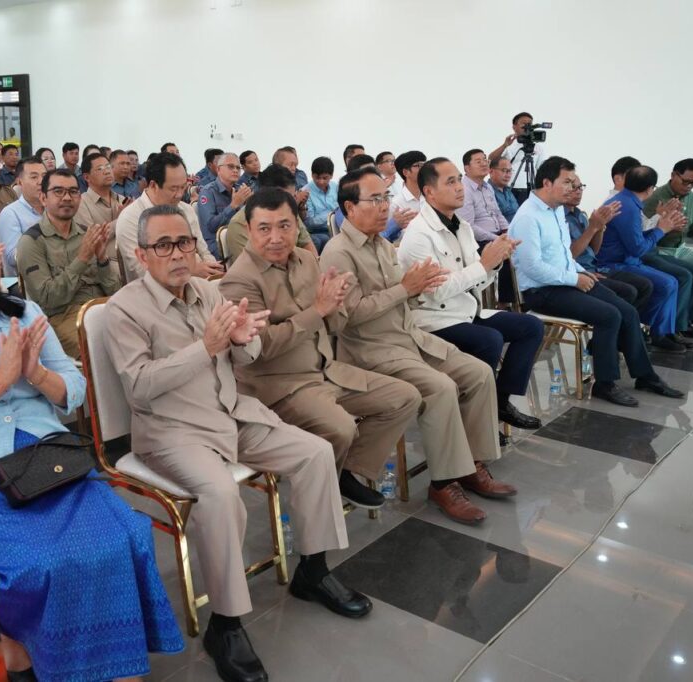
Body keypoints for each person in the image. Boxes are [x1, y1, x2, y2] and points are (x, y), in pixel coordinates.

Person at [0, 207, 183, 682]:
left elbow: (75, 390)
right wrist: (1, 380)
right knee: (41, 563)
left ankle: (115, 667)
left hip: (49, 461)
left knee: (124, 535)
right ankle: (25, 656)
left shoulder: (23, 313)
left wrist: (36, 374)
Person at [108, 204, 369, 681]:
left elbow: (242, 358)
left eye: (184, 242)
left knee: (314, 453)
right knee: (221, 493)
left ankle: (312, 570)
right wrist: (206, 347)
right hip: (173, 432)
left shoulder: (208, 290)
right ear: (141, 255)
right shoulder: (123, 309)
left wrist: (244, 340)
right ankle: (225, 625)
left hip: (230, 412)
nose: (177, 254)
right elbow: (140, 387)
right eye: (163, 246)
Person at [323, 168, 517, 523]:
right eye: (375, 199)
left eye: (386, 197)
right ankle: (443, 484)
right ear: (350, 207)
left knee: (478, 373)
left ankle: (472, 466)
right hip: (371, 350)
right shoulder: (338, 253)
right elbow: (346, 317)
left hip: (409, 337)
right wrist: (406, 289)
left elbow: (408, 296)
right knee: (440, 388)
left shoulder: (383, 245)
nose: (385, 206)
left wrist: (421, 287)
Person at [221, 189, 421, 510]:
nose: (276, 237)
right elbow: (262, 347)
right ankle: (328, 482)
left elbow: (333, 324)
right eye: (264, 228)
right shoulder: (239, 280)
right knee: (341, 427)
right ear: (248, 229)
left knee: (405, 397)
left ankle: (344, 470)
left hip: (326, 370)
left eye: (285, 226)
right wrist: (318, 310)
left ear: (296, 225)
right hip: (280, 386)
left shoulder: (304, 259)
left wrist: (337, 304)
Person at [509, 157, 684, 406]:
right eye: (567, 182)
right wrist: (575, 278)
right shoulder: (528, 217)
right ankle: (605, 383)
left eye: (575, 183)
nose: (573, 188)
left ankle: (645, 376)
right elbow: (532, 267)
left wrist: (581, 271)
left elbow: (563, 254)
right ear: (547, 183)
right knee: (609, 315)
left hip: (566, 280)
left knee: (628, 311)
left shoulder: (555, 210)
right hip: (542, 290)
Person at [397, 158, 544, 435]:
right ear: (429, 192)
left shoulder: (461, 225)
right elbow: (437, 291)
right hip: (433, 319)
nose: (459, 187)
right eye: (450, 182)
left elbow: (477, 279)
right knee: (489, 339)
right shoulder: (418, 234)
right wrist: (484, 265)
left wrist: (495, 261)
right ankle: (475, 420)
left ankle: (498, 402)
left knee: (531, 326)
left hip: (465, 311)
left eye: (458, 180)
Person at [598, 165, 693, 352]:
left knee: (671, 281)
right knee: (667, 283)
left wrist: (661, 225)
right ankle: (653, 331)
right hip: (615, 264)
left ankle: (658, 331)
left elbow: (636, 238)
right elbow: (638, 249)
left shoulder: (625, 201)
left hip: (627, 260)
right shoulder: (627, 207)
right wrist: (661, 230)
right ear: (650, 189)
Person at [17, 169, 120, 360]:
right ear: (43, 198)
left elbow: (114, 291)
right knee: (106, 352)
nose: (67, 197)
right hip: (62, 317)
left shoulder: (87, 234)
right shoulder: (32, 242)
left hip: (102, 308)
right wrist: (82, 259)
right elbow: (47, 299)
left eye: (73, 192)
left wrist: (102, 259)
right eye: (58, 191)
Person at [115, 152, 222, 281]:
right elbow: (140, 271)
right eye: (173, 189)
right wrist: (190, 270)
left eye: (183, 187)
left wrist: (213, 272)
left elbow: (204, 251)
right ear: (153, 185)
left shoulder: (186, 210)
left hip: (198, 283)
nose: (179, 195)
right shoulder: (130, 218)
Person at [564, 175, 655, 313]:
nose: (579, 191)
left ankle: (627, 322)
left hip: (595, 268)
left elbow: (594, 250)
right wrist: (592, 228)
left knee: (645, 285)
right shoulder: (560, 218)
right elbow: (570, 255)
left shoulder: (581, 215)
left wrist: (600, 227)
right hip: (580, 272)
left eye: (580, 187)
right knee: (628, 291)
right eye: (573, 187)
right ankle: (623, 321)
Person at [642, 158, 693, 304]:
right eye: (685, 181)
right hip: (660, 250)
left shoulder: (691, 198)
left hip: (680, 249)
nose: (689, 186)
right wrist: (666, 227)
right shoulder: (655, 197)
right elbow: (643, 231)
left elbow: (692, 229)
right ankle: (685, 310)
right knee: (689, 274)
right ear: (673, 175)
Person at [224, 164, 318, 264]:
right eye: (285, 198)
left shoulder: (288, 211)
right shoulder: (239, 224)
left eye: (293, 196)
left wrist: (313, 268)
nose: (291, 202)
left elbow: (308, 247)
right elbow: (252, 268)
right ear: (265, 194)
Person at [458, 148, 514, 303]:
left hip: (496, 235)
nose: (484, 163)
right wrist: (496, 239)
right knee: (503, 253)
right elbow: (468, 226)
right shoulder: (464, 189)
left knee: (523, 248)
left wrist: (509, 232)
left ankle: (521, 301)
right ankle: (504, 303)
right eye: (478, 161)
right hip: (477, 240)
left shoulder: (488, 187)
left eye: (485, 160)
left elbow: (498, 214)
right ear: (467, 168)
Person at [74, 153, 130, 262]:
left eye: (108, 166)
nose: (107, 171)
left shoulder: (122, 199)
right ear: (86, 177)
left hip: (127, 261)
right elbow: (92, 240)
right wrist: (120, 220)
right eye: (100, 169)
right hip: (101, 265)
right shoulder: (81, 203)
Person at [0, 157, 46, 277]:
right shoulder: (11, 213)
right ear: (19, 182)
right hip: (28, 279)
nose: (41, 181)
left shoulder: (53, 208)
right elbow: (13, 257)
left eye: (44, 176)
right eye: (34, 177)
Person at [487, 112, 549, 204]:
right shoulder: (509, 145)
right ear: (514, 127)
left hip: (531, 191)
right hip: (510, 189)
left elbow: (543, 170)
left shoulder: (537, 148)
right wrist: (504, 145)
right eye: (524, 123)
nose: (527, 126)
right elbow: (491, 160)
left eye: (530, 124)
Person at [197, 153, 251, 253]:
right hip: (217, 245)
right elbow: (211, 226)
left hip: (240, 239)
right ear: (218, 169)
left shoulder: (240, 189)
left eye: (238, 168)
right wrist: (233, 206)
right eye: (230, 166)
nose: (235, 170)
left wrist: (251, 204)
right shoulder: (208, 192)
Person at [387, 150, 425, 233]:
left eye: (425, 165)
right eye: (419, 165)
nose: (424, 169)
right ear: (405, 172)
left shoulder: (431, 198)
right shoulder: (395, 204)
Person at [304, 156, 337, 252]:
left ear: (331, 176)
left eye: (325, 178)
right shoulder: (305, 192)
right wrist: (331, 214)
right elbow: (309, 223)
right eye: (317, 178)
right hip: (318, 231)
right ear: (312, 175)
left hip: (338, 227)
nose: (321, 181)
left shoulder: (336, 187)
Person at [488, 156, 519, 222]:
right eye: (504, 170)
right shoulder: (487, 191)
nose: (508, 175)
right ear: (491, 171)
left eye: (510, 171)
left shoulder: (508, 190)